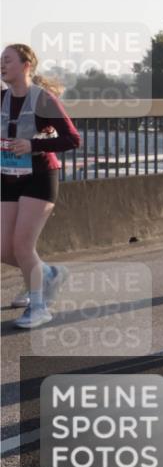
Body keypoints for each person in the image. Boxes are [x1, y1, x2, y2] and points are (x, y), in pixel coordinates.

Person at [1, 44, 80, 329]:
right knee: (3, 248)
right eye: (0, 60)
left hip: (40, 176)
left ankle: (39, 307)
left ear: (25, 65)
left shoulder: (43, 99)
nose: (1, 64)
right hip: (9, 176)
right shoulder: (1, 99)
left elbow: (73, 139)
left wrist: (33, 144)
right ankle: (46, 275)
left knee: (22, 245)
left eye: (7, 59)